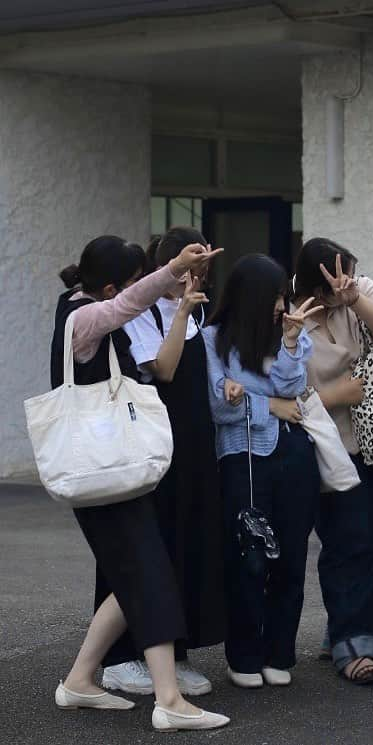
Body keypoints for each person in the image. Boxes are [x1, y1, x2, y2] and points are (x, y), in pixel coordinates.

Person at [51, 235, 229, 732]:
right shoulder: (82, 317)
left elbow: (130, 300)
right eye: (131, 281)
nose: (137, 293)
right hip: (103, 470)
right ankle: (169, 698)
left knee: (139, 574)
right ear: (109, 286)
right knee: (150, 572)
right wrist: (173, 268)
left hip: (109, 469)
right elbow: (132, 302)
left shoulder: (83, 307)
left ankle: (81, 679)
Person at [100, 228, 224, 697]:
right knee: (146, 548)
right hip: (150, 442)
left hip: (193, 445)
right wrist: (184, 309)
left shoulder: (198, 308)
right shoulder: (140, 310)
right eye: (192, 262)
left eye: (205, 265)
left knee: (186, 543)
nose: (198, 274)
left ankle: (175, 650)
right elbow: (165, 370)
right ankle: (122, 656)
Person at [293, 238, 373, 684]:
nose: (343, 283)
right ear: (312, 283)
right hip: (331, 448)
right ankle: (355, 642)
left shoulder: (358, 291)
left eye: (349, 273)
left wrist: (355, 299)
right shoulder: (290, 318)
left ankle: (353, 625)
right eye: (333, 279)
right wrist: (331, 397)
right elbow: (279, 393)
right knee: (352, 544)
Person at [203, 254, 322, 689]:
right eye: (274, 296)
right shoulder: (212, 339)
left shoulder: (290, 337)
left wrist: (290, 342)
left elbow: (294, 388)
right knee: (249, 557)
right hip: (242, 459)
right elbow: (220, 408)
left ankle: (279, 651)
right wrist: (268, 406)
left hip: (294, 457)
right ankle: (244, 654)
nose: (281, 304)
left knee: (290, 556)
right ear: (251, 295)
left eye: (284, 296)